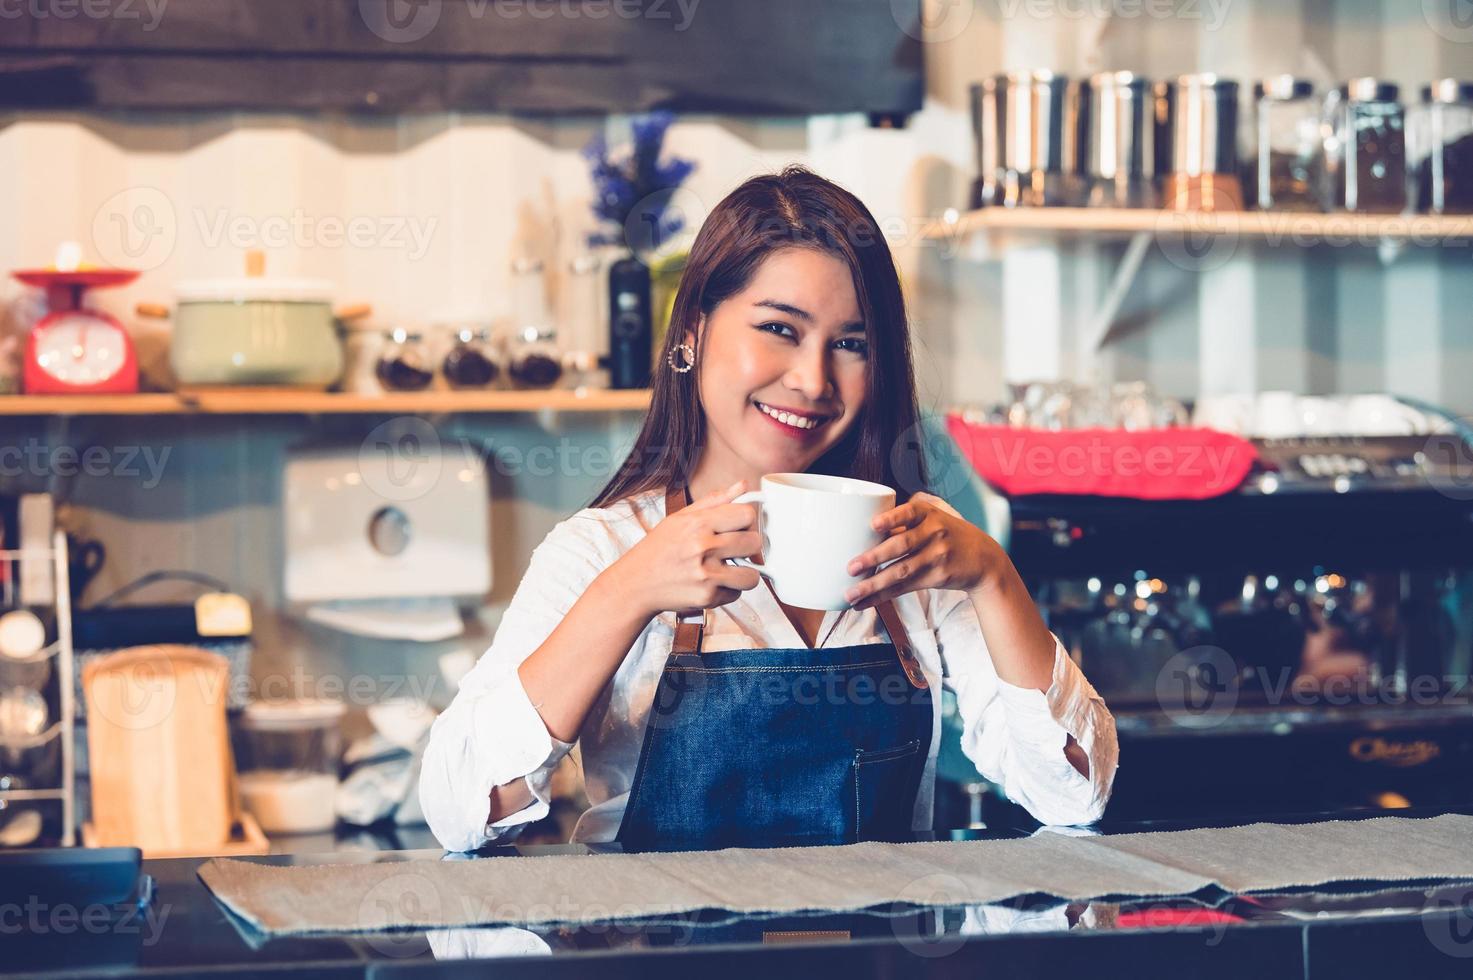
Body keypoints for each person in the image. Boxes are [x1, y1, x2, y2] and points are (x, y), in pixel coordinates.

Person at [420, 166, 1118, 852]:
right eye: (779, 329)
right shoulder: (600, 550)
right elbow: (461, 812)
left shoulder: (919, 551)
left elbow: (1071, 797)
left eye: (850, 344)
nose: (813, 380)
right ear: (690, 333)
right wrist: (626, 592)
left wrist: (992, 576)